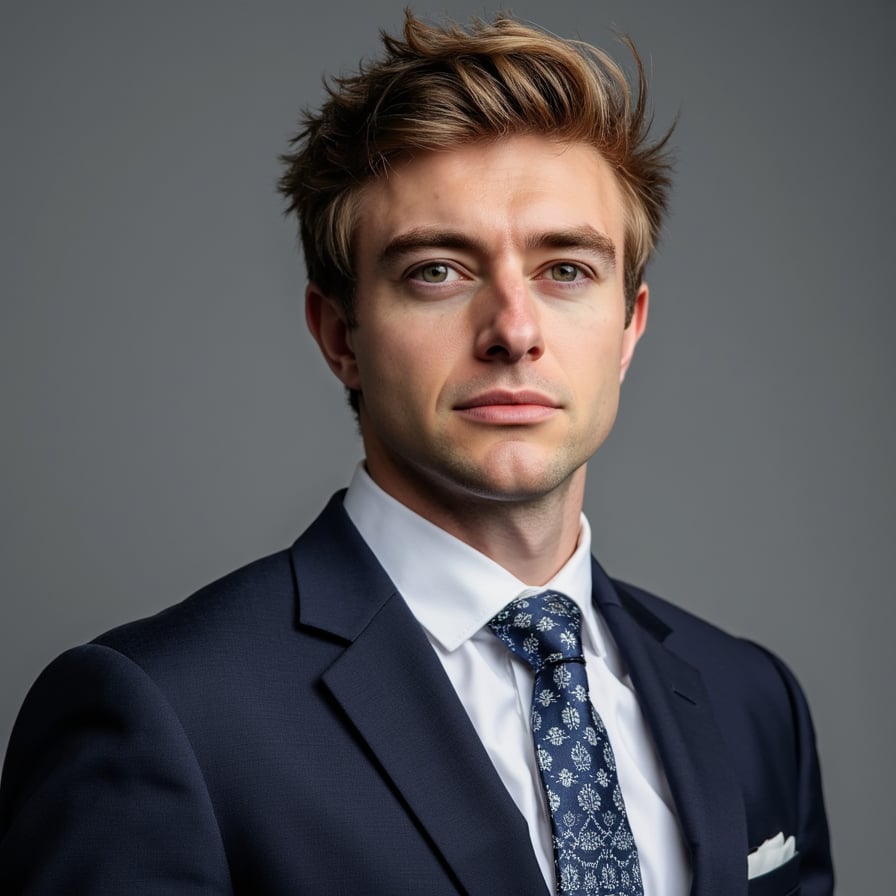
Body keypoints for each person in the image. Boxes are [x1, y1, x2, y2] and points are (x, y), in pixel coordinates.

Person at [0, 11, 833, 896]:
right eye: (438, 270)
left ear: (628, 329)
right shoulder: (164, 713)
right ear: (340, 335)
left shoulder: (752, 700)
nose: (514, 331)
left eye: (567, 271)